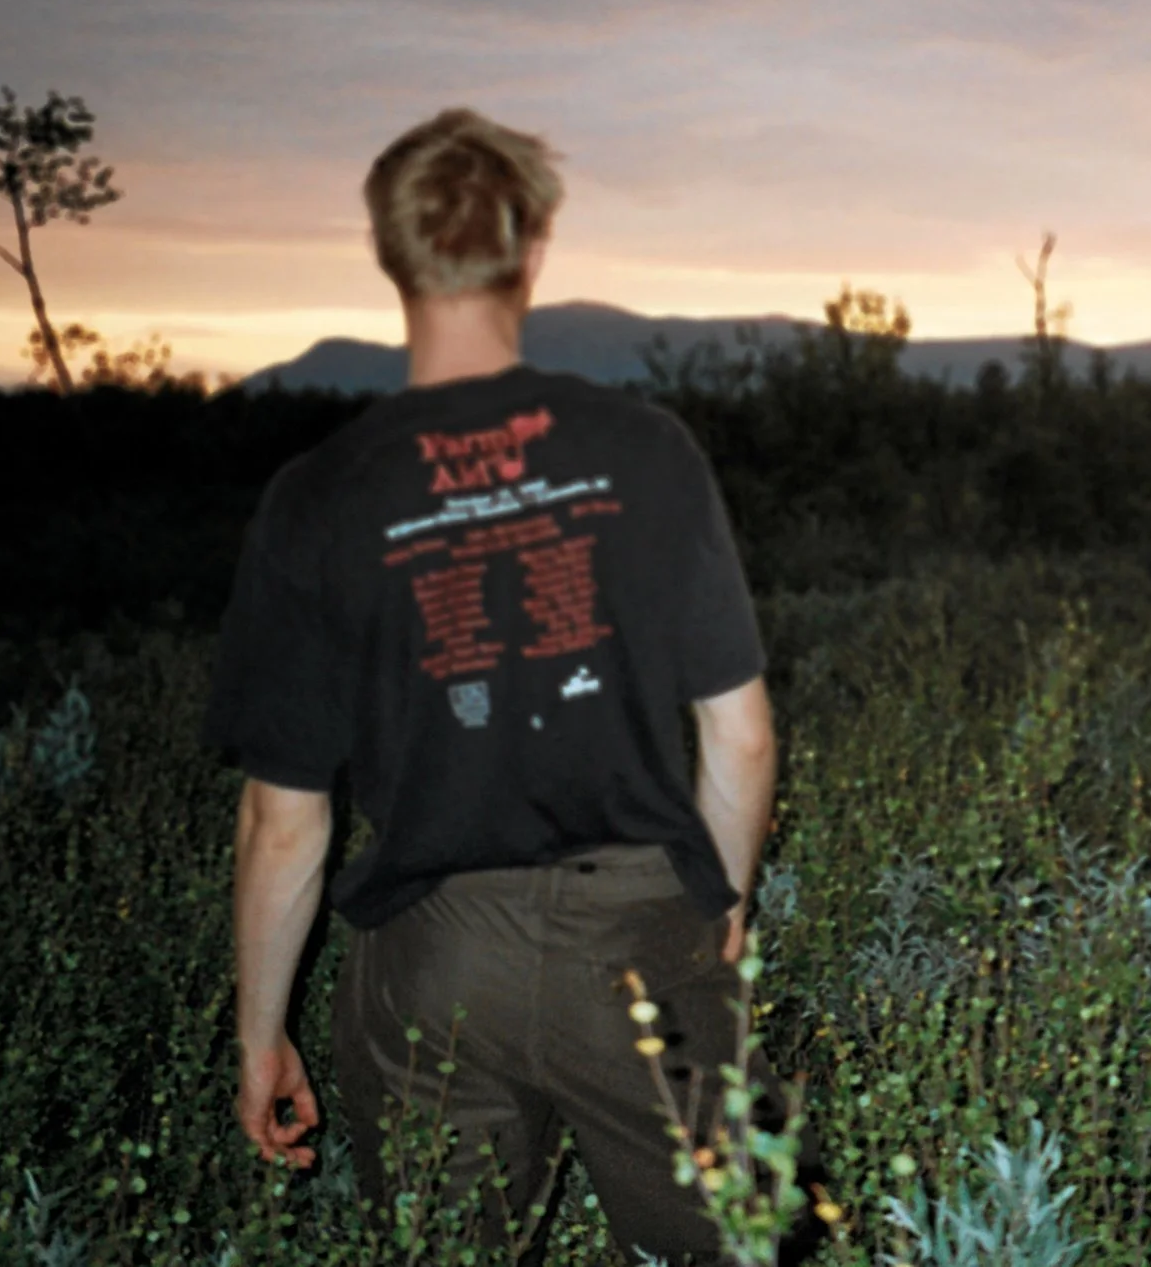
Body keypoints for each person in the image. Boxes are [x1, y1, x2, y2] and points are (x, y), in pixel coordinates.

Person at [202, 108, 780, 1263]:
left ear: (390, 253)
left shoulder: (319, 496)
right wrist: (719, 901)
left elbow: (282, 823)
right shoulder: (643, 448)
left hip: (431, 958)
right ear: (533, 246)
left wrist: (259, 1034)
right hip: (638, 937)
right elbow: (742, 738)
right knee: (725, 1245)